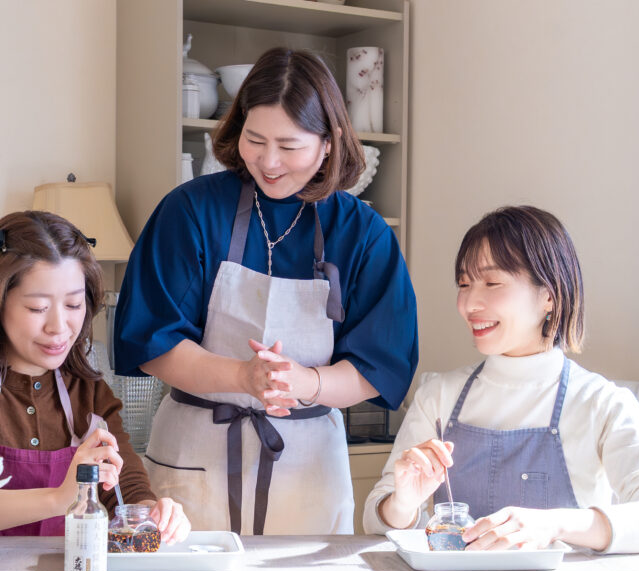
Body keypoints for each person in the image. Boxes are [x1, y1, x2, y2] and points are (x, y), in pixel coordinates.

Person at [111, 47, 418, 535]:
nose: (269, 162)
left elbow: (379, 367)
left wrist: (304, 383)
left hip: (309, 468)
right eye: (255, 139)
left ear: (329, 142)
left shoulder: (363, 232)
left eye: (289, 146)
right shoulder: (190, 212)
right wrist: (242, 376)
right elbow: (153, 342)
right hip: (194, 458)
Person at [363, 206, 639, 553]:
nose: (469, 303)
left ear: (549, 295)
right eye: (464, 284)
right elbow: (374, 521)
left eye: (492, 283)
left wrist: (554, 524)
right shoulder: (438, 396)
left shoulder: (602, 403)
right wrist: (403, 502)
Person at [0, 211, 190, 542]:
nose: (58, 327)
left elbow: (126, 489)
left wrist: (156, 513)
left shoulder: (89, 393)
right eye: (38, 308)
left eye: (73, 304)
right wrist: (59, 498)